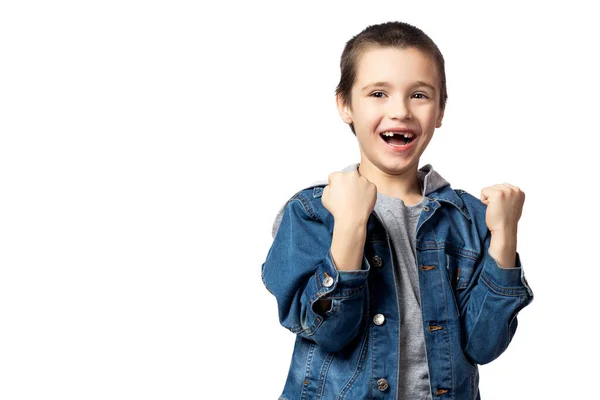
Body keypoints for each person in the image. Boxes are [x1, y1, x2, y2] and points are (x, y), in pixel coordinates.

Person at [261, 21, 534, 400]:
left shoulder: (468, 218)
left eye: (419, 95)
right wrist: (350, 226)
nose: (400, 111)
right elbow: (326, 331)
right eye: (378, 93)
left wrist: (503, 239)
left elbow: (484, 345)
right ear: (345, 105)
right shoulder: (313, 212)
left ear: (440, 110)